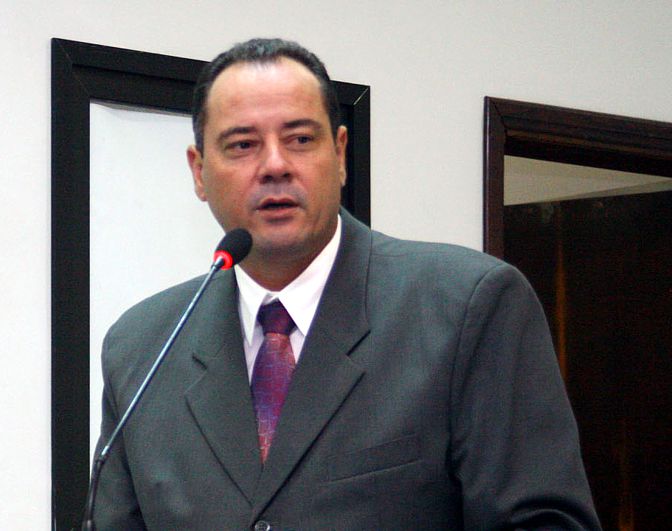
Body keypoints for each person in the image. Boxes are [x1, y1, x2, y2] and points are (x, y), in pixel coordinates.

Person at [93, 38, 601, 529]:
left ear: (339, 154)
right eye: (243, 145)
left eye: (300, 139)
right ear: (199, 171)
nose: (275, 166)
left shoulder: (468, 307)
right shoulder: (141, 348)